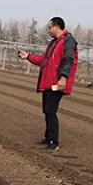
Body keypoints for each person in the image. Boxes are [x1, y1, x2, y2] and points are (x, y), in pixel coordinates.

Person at [18, 17, 78, 150]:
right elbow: (43, 61)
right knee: (47, 110)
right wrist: (27, 56)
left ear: (56, 26)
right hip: (48, 83)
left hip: (57, 84)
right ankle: (48, 137)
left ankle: (53, 141)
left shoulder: (68, 42)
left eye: (49, 27)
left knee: (51, 110)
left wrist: (63, 78)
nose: (48, 30)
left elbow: (68, 60)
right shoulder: (53, 43)